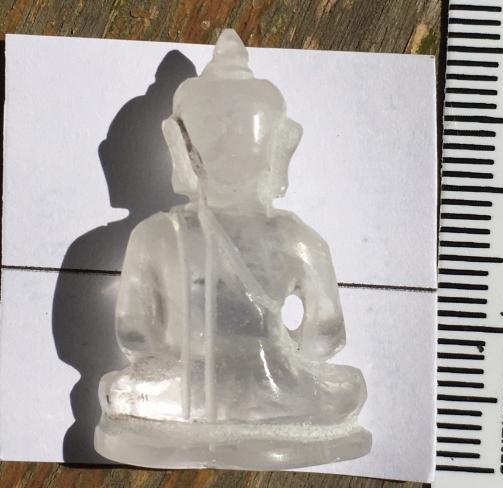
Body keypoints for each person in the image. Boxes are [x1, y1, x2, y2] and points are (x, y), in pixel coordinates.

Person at [95, 29, 369, 469]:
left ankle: (197, 419)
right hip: (281, 387)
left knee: (122, 393)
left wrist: (184, 360)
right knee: (347, 388)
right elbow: (326, 337)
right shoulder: (297, 237)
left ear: (179, 145)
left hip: (183, 392)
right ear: (283, 145)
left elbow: (136, 337)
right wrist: (278, 352)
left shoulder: (155, 233)